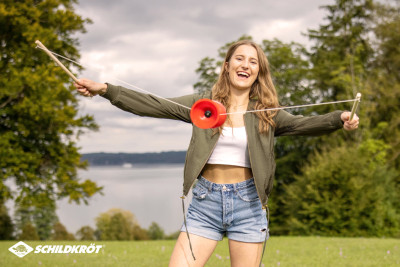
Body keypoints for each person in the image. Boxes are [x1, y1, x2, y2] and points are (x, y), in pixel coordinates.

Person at [74, 40, 359, 267]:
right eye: (239, 58)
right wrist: (106, 90)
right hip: (204, 203)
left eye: (253, 61)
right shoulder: (202, 105)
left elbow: (303, 124)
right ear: (227, 65)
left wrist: (339, 118)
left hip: (248, 205)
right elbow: (153, 104)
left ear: (258, 72)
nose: (245, 64)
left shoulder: (266, 113)